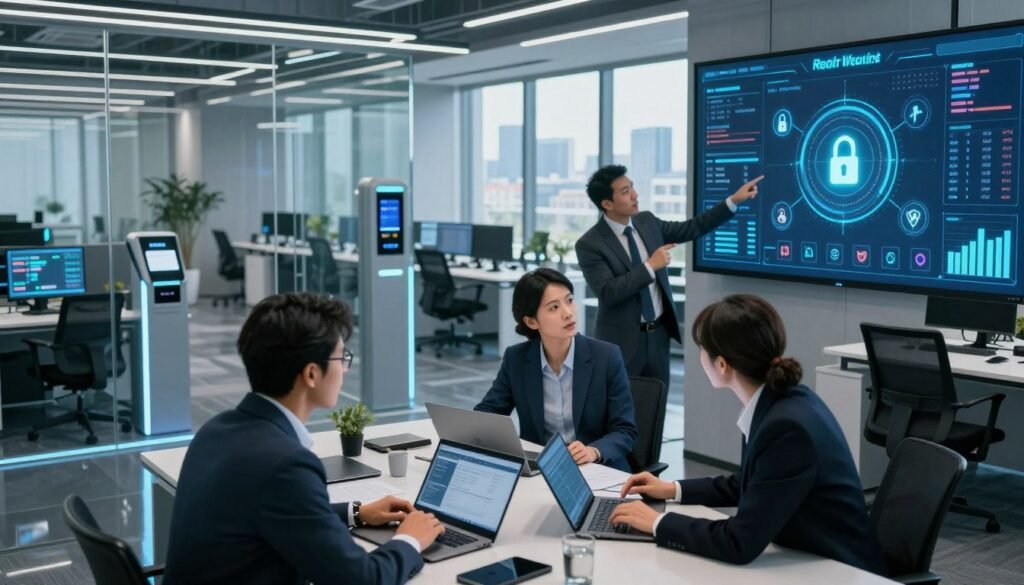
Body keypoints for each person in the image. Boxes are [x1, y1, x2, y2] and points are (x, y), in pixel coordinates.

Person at [163, 293, 444, 585]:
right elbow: (361, 580)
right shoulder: (285, 464)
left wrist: (357, 513)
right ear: (311, 373)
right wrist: (411, 539)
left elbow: (279, 512)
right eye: (341, 358)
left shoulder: (216, 429)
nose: (345, 369)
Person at [608, 294, 886, 574]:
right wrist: (672, 489)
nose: (700, 356)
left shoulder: (786, 428)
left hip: (841, 569)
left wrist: (656, 523)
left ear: (722, 365)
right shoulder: (780, 401)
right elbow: (749, 483)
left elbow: (739, 542)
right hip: (807, 555)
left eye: (702, 349)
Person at [575, 165, 763, 390]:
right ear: (607, 204)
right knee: (620, 414)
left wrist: (732, 201)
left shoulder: (647, 222)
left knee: (656, 412)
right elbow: (608, 292)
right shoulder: (590, 244)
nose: (634, 195)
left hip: (658, 337)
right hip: (620, 343)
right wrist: (650, 266)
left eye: (632, 187)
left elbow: (692, 227)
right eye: (625, 192)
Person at [475, 268, 638, 472]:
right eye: (554, 307)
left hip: (597, 469)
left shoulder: (606, 357)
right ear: (532, 322)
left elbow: (624, 431)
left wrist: (594, 450)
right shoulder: (516, 359)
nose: (568, 313)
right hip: (542, 469)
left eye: (569, 300)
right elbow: (488, 412)